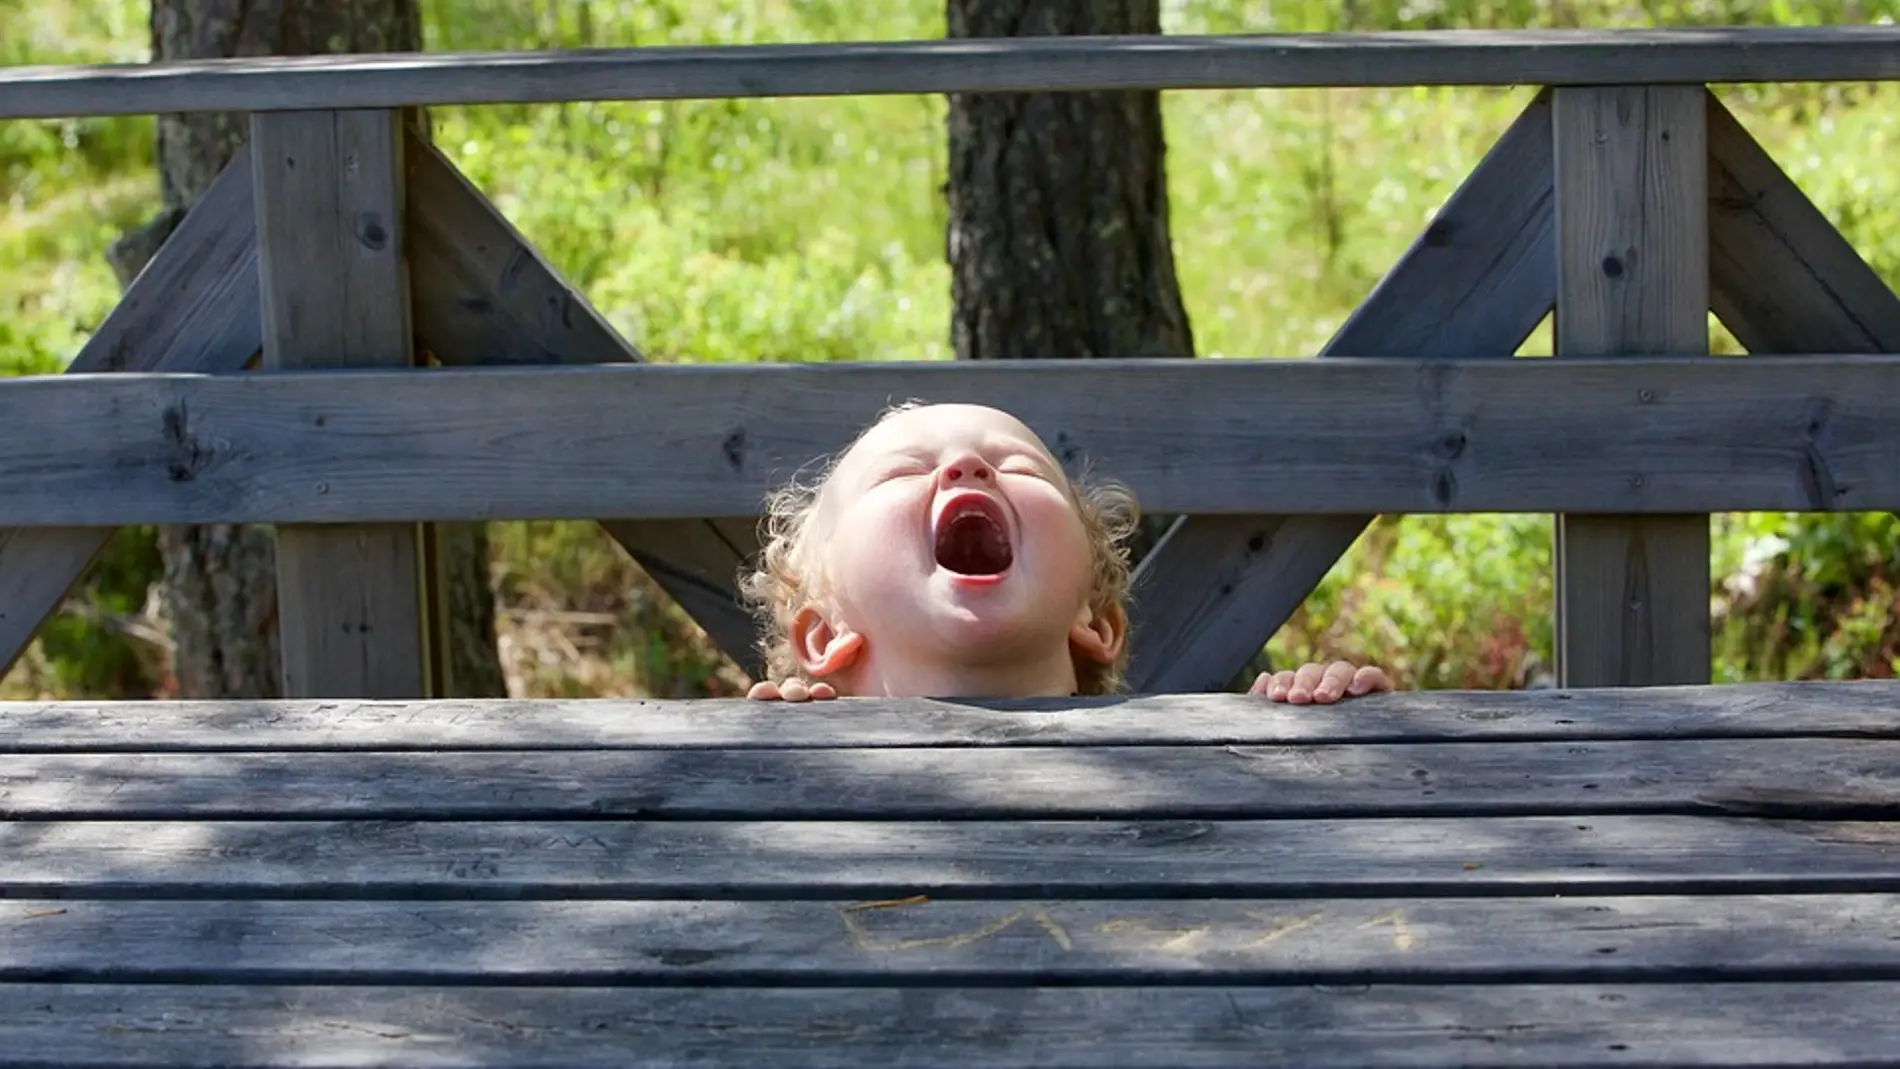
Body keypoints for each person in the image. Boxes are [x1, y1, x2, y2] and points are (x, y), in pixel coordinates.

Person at [739, 401, 1391, 704]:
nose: (967, 466)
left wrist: (1314, 727)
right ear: (824, 633)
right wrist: (776, 758)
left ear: (1096, 619)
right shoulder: (795, 754)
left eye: (1018, 465)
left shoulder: (1202, 752)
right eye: (902, 473)